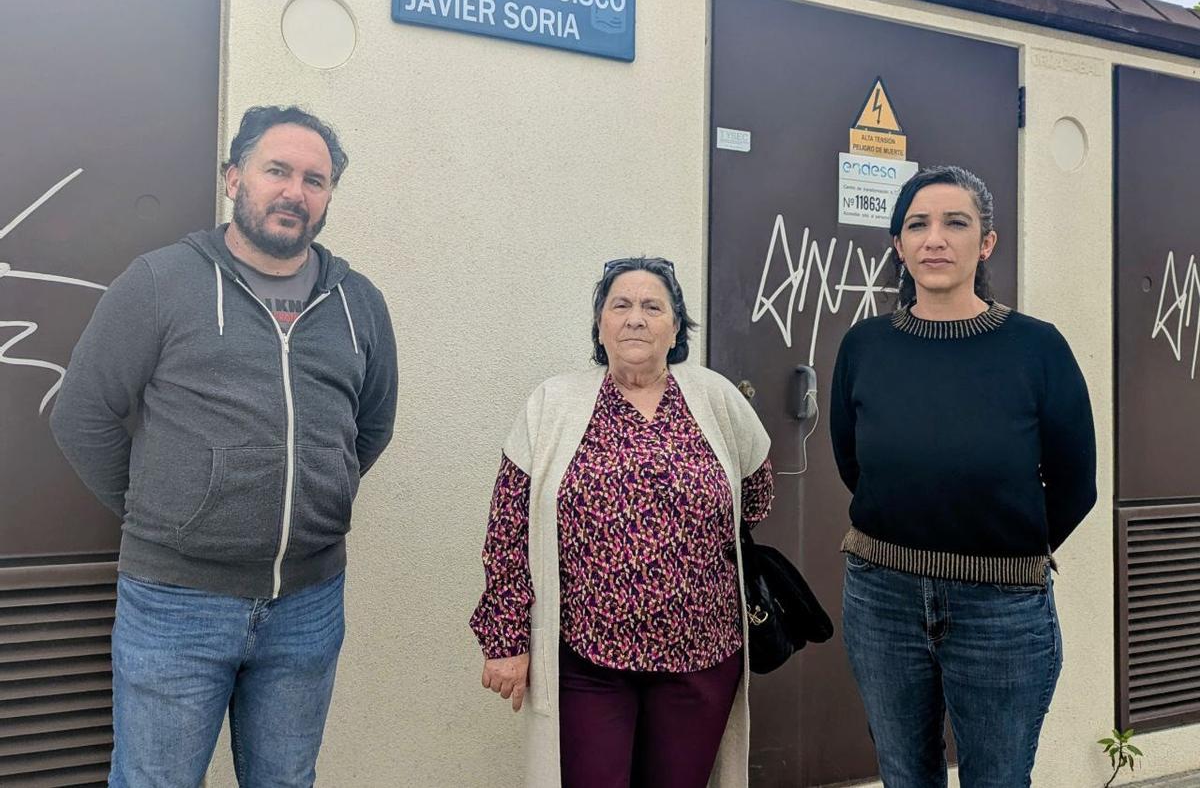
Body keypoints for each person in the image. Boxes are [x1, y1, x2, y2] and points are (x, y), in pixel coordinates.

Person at [50, 105, 398, 787]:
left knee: (287, 779)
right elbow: (81, 414)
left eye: (315, 179)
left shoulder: (359, 301)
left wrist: (323, 494)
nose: (295, 191)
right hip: (175, 602)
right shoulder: (159, 283)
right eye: (277, 170)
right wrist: (164, 508)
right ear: (235, 177)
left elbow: (371, 426)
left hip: (308, 600)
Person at [829, 165, 1096, 787]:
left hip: (1002, 609)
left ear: (987, 241)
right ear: (898, 246)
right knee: (903, 774)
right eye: (917, 225)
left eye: (956, 222)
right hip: (882, 599)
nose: (935, 239)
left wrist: (999, 552)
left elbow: (1076, 483)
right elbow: (853, 462)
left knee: (998, 779)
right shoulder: (864, 346)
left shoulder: (1037, 348)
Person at [470, 257, 774, 788]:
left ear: (676, 327)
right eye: (621, 305)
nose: (636, 318)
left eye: (653, 306)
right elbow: (507, 529)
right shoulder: (554, 403)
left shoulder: (716, 397)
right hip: (588, 660)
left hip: (700, 655)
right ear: (599, 323)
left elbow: (755, 495)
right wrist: (506, 639)